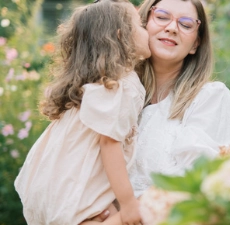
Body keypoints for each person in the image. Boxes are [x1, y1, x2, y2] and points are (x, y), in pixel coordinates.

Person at [92, 0, 230, 223]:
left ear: (195, 44)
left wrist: (118, 219)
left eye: (186, 24)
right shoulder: (114, 91)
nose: (171, 28)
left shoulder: (209, 98)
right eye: (162, 17)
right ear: (139, 28)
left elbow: (193, 187)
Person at [14, 0, 150, 224]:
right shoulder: (121, 84)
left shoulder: (97, 86)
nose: (146, 31)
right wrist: (127, 203)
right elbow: (110, 143)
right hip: (76, 201)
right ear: (121, 36)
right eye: (140, 25)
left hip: (56, 194)